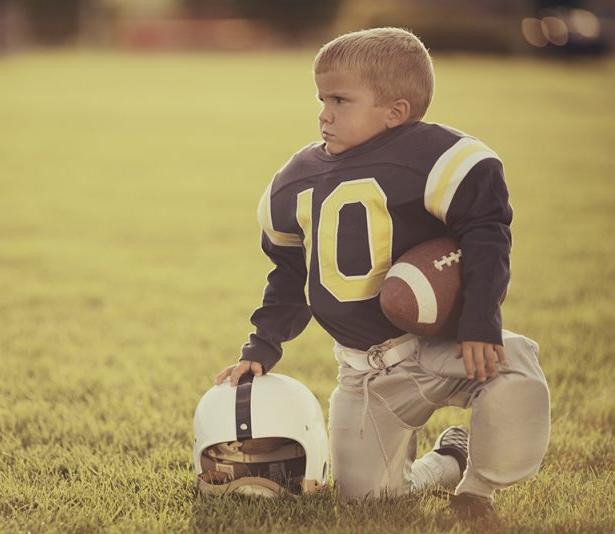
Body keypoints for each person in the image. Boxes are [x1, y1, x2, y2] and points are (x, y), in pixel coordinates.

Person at [214, 27, 550, 521]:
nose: (324, 113)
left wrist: (481, 323)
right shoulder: (296, 179)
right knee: (369, 500)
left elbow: (486, 231)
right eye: (321, 98)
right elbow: (289, 273)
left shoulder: (430, 157)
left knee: (514, 371)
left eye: (341, 100)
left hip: (438, 348)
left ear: (395, 112)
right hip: (362, 373)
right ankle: (448, 460)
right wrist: (262, 346)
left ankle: (476, 490)